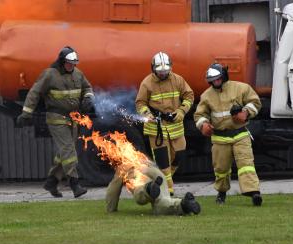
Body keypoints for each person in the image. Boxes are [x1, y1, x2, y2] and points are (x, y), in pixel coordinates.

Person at [17, 46, 94, 198]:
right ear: (61, 61)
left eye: (74, 64)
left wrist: (88, 98)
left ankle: (51, 182)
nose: (72, 67)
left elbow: (87, 87)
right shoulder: (50, 74)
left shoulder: (78, 74)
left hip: (73, 119)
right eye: (69, 64)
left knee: (64, 152)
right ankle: (74, 184)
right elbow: (35, 92)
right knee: (68, 150)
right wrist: (26, 113)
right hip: (56, 119)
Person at [194, 63, 262, 206]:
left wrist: (246, 113)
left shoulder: (241, 88)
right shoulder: (206, 96)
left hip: (240, 135)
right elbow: (199, 114)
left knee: (246, 164)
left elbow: (255, 102)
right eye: (212, 80)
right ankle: (221, 193)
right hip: (219, 138)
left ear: (224, 76)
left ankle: (254, 192)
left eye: (218, 79)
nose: (215, 82)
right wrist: (203, 125)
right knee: (221, 169)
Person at [135, 52, 194, 196]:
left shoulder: (178, 80)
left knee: (179, 156)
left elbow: (189, 96)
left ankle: (159, 180)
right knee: (163, 161)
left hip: (175, 126)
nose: (163, 74)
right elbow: (140, 103)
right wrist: (147, 114)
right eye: (160, 71)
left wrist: (181, 111)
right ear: (153, 69)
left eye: (165, 71)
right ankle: (168, 191)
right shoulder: (147, 83)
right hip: (157, 129)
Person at [106, 165, 201, 216]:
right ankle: (183, 204)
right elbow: (157, 173)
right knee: (164, 201)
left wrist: (111, 208)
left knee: (139, 193)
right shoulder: (143, 159)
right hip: (158, 178)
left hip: (143, 183)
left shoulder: (123, 168)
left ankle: (149, 189)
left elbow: (112, 190)